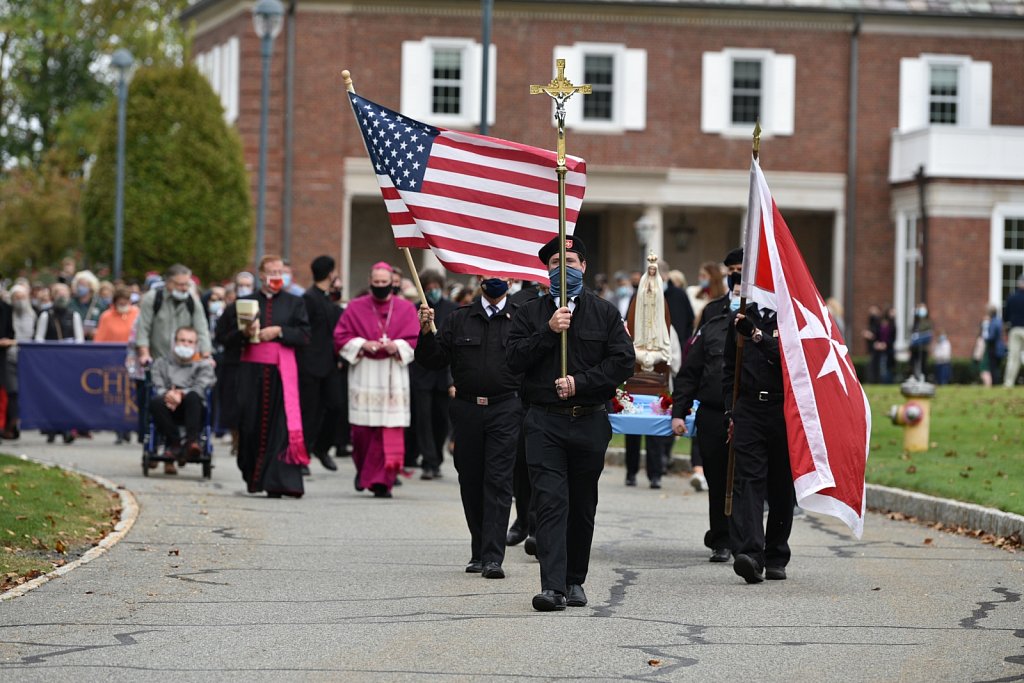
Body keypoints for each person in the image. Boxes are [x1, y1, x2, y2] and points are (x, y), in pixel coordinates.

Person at [507, 235, 635, 612]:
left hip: (588, 422)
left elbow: (622, 362)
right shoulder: (529, 312)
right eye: (554, 264)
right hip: (544, 422)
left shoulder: (605, 313)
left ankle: (575, 580)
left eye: (572, 262)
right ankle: (552, 586)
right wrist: (548, 331)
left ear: (584, 268)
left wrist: (581, 382)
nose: (563, 269)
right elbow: (513, 359)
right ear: (545, 271)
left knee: (581, 504)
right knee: (549, 502)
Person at [415, 274, 523, 578]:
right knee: (471, 480)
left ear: (511, 280)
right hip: (467, 409)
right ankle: (479, 549)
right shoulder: (458, 319)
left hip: (506, 408)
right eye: (489, 277)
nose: (495, 282)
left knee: (499, 481)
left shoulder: (522, 319)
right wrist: (425, 331)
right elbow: (432, 360)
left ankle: (493, 556)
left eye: (501, 276)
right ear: (479, 279)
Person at [219, 256, 311, 497]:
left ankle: (278, 482)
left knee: (280, 427)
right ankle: (253, 475)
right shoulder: (243, 302)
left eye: (280, 270)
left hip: (282, 373)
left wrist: (280, 331)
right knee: (250, 425)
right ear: (261, 274)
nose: (276, 275)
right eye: (271, 271)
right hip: (250, 373)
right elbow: (223, 338)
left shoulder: (295, 302)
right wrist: (244, 333)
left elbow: (304, 335)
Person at [672, 262, 742, 564]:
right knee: (716, 476)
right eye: (736, 290)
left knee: (746, 479)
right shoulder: (712, 326)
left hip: (751, 415)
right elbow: (690, 373)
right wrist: (679, 410)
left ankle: (746, 538)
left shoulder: (768, 328)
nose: (740, 296)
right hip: (714, 414)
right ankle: (721, 538)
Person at [723, 297, 795, 584]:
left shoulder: (791, 316)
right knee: (749, 480)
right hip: (749, 408)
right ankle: (751, 555)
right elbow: (730, 369)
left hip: (783, 410)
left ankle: (777, 554)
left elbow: (793, 360)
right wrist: (731, 410)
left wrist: (757, 336)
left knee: (780, 485)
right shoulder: (742, 315)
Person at [333, 262, 419, 498]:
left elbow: (414, 339)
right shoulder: (355, 307)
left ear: (393, 282)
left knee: (389, 430)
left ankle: (383, 481)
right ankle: (364, 472)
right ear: (370, 282)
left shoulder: (406, 308)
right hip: (365, 372)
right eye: (377, 282)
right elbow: (340, 336)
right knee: (362, 431)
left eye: (385, 282)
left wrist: (397, 345)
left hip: (393, 374)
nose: (381, 286)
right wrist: (363, 343)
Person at [148, 326, 216, 475]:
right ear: (174, 342)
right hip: (168, 405)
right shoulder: (161, 363)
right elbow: (157, 384)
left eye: (190, 341)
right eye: (182, 340)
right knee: (155, 401)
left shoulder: (204, 365)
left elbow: (202, 386)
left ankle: (192, 442)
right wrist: (169, 394)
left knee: (194, 396)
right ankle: (175, 443)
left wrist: (181, 394)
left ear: (196, 345)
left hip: (193, 408)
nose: (186, 344)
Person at [410, 269, 457, 480]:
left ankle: (436, 457)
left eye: (436, 288)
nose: (433, 292)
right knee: (424, 419)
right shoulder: (415, 309)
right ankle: (428, 461)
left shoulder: (452, 309)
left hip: (444, 375)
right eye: (428, 289)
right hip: (422, 374)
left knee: (441, 420)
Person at [298, 255, 343, 472]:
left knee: (335, 406)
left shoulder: (327, 298)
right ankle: (303, 454)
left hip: (330, 364)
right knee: (310, 411)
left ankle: (321, 447)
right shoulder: (308, 298)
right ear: (330, 273)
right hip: (310, 364)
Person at [136, 264, 212, 367]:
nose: (185, 288)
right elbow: (143, 328)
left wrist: (206, 356)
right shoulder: (152, 298)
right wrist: (144, 354)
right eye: (180, 284)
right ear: (168, 283)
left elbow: (202, 330)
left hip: (185, 361)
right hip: (157, 360)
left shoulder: (193, 301)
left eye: (187, 284)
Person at [214, 271, 257, 450]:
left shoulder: (259, 307)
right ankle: (235, 438)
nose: (244, 288)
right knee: (233, 402)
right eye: (241, 285)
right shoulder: (230, 310)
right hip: (233, 361)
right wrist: (240, 334)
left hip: (254, 361)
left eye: (248, 285)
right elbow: (221, 336)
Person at [4, 284, 37, 439]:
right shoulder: (7, 313)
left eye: (22, 297)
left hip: (28, 359)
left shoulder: (34, 315)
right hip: (9, 357)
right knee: (13, 392)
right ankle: (11, 424)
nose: (19, 301)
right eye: (16, 297)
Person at [69, 270, 103, 339]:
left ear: (91, 286)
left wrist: (97, 332)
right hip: (75, 340)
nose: (80, 287)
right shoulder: (70, 304)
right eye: (79, 284)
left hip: (93, 342)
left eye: (83, 285)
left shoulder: (99, 304)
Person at [1004, 274, 1024, 387]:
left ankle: (1008, 382)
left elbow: (1006, 316)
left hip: (1015, 329)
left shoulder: (1011, 297)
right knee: (1014, 357)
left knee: (1013, 357)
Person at [982, 305, 1006, 386]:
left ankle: (995, 384)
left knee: (993, 367)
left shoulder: (993, 322)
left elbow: (991, 336)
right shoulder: (999, 321)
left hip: (994, 347)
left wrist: (985, 338)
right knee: (997, 367)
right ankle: (997, 383)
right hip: (1000, 347)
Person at [908, 303, 933, 381]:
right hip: (914, 347)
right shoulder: (916, 321)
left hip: (923, 347)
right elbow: (912, 332)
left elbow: (929, 334)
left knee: (923, 363)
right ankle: (913, 376)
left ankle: (923, 377)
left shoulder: (927, 322)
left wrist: (920, 336)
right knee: (913, 362)